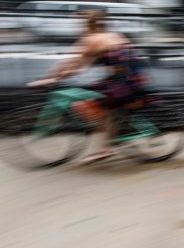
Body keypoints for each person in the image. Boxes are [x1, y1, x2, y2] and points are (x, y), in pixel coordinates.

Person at [30, 10, 147, 164]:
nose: (77, 28)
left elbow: (73, 65)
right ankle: (117, 137)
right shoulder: (112, 35)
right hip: (134, 78)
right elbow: (76, 64)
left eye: (79, 24)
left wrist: (50, 79)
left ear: (88, 25)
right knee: (97, 98)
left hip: (123, 82)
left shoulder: (91, 40)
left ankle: (107, 149)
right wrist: (56, 76)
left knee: (92, 106)